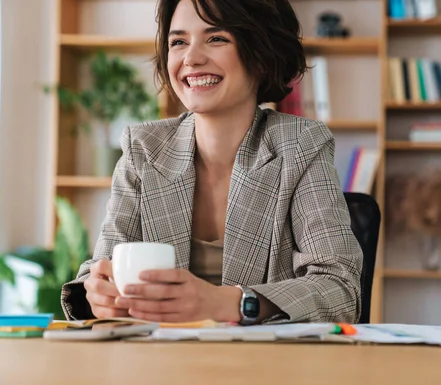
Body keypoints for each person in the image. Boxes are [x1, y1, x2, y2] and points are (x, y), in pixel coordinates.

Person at [60, 0, 363, 325]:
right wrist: (99, 294)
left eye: (216, 38)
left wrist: (225, 302)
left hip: (267, 368)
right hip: (158, 365)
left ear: (260, 54)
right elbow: (97, 273)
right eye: (178, 42)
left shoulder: (301, 145)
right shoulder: (143, 149)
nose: (191, 58)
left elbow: (341, 290)